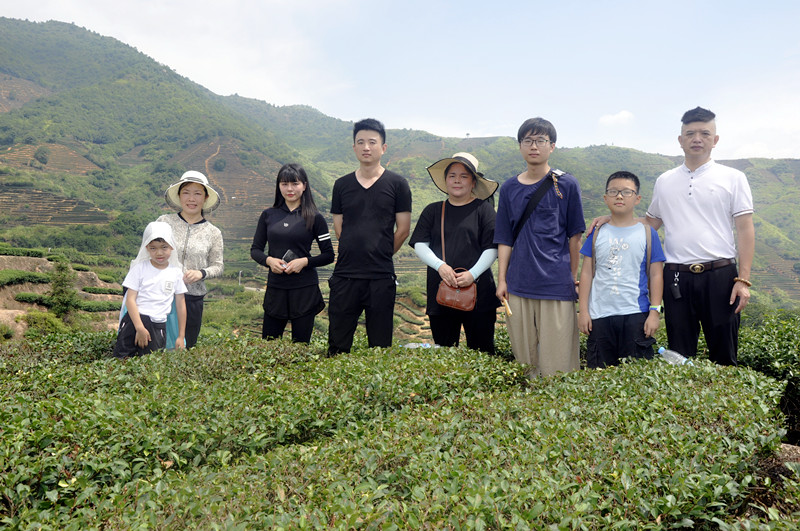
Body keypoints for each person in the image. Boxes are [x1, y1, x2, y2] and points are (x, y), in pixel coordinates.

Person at [646, 106, 754, 365]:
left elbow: (745, 229)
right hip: (675, 277)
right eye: (690, 133)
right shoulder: (665, 180)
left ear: (715, 140)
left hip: (722, 276)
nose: (697, 138)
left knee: (725, 354)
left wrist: (744, 280)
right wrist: (613, 220)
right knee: (679, 357)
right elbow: (650, 223)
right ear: (680, 140)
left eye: (705, 133)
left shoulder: (733, 178)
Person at [494, 117, 585, 377]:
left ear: (552, 146)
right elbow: (505, 238)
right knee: (524, 358)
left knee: (559, 360)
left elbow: (575, 235)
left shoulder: (567, 183)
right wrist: (502, 280)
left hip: (556, 283)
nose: (534, 146)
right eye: (528, 140)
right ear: (520, 146)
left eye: (541, 140)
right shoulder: (510, 187)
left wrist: (571, 276)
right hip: (518, 283)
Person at [327, 118, 412, 356]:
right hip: (345, 276)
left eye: (372, 142)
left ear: (383, 148)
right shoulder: (341, 185)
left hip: (381, 277)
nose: (366, 147)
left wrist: (380, 253)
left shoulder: (398, 184)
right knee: (337, 346)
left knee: (380, 346)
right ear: (353, 147)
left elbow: (403, 229)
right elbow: (340, 228)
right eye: (360, 142)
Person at [408, 152, 500, 354]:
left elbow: (492, 248)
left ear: (473, 182)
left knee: (483, 352)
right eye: (452, 175)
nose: (457, 180)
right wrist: (440, 266)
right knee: (444, 352)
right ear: (445, 180)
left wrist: (472, 274)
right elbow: (420, 244)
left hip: (480, 294)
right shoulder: (433, 211)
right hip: (442, 291)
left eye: (464, 176)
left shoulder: (484, 211)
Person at [578, 171, 666, 368]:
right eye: (614, 191)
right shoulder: (596, 233)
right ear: (605, 198)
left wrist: (654, 312)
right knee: (598, 377)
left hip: (636, 314)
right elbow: (586, 273)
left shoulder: (647, 233)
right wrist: (583, 311)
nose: (619, 196)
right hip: (599, 315)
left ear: (637, 198)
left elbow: (656, 274)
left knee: (636, 378)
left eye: (626, 192)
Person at [250, 163, 334, 343]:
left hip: (304, 290)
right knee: (269, 344)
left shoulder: (315, 217)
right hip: (276, 288)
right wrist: (269, 261)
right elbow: (255, 250)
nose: (290, 189)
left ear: (304, 185)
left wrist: (304, 262)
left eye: (295, 184)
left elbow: (329, 255)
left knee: (301, 345)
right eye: (284, 184)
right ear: (278, 186)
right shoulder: (268, 215)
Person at [157, 170, 224, 348]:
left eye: (197, 193)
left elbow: (218, 265)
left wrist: (201, 273)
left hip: (192, 298)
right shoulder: (164, 222)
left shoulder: (213, 232)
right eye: (186, 192)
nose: (191, 199)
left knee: (186, 347)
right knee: (156, 347)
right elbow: (150, 253)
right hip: (161, 295)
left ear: (205, 197)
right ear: (179, 196)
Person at [113, 221, 187, 358]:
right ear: (147, 247)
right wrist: (139, 327)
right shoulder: (139, 269)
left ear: (172, 246)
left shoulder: (176, 273)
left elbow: (181, 305)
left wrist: (181, 336)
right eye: (153, 248)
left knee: (150, 363)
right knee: (122, 360)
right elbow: (130, 300)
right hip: (133, 321)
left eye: (164, 247)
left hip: (157, 324)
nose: (159, 253)